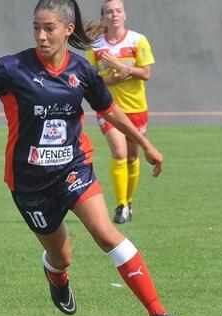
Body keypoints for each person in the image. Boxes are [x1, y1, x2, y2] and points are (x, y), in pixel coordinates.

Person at [0, 0, 179, 316]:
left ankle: (159, 313)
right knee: (62, 257)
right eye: (36, 28)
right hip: (29, 181)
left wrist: (145, 143)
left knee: (105, 233)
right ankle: (56, 276)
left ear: (68, 29)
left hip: (74, 167)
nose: (41, 36)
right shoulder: (12, 68)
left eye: (49, 28)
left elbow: (109, 109)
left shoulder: (82, 71)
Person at [85, 0, 155, 224]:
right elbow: (92, 80)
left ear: (124, 14)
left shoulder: (138, 40)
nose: (114, 15)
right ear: (104, 17)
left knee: (133, 157)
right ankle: (121, 204)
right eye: (109, 12)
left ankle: (129, 201)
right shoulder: (96, 46)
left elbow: (145, 73)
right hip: (109, 108)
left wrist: (121, 66)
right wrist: (112, 79)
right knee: (119, 152)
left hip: (136, 107)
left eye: (118, 11)